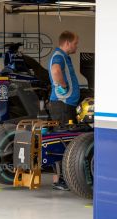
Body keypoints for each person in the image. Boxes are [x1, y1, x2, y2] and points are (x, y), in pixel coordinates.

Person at [48, 31, 80, 191]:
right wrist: (63, 85)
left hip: (65, 106)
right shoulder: (59, 56)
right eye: (75, 43)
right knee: (63, 142)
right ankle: (60, 180)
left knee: (63, 141)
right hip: (63, 106)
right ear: (67, 43)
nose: (76, 46)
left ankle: (59, 180)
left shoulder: (63, 56)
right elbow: (55, 71)